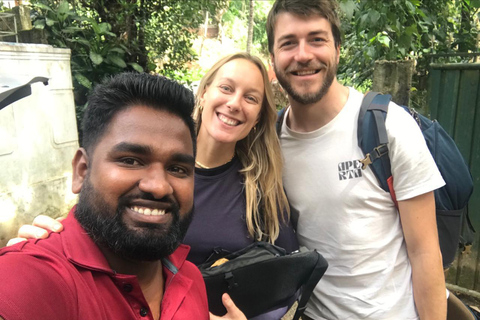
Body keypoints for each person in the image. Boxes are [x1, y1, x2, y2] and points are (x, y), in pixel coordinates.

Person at [7, 53, 298, 319]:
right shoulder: (40, 278)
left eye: (177, 169)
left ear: (259, 115)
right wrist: (45, 242)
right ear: (205, 92)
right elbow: (89, 228)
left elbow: (285, 273)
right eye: (132, 161)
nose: (158, 186)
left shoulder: (261, 188)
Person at [266, 0, 447, 319]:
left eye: (317, 39)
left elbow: (425, 253)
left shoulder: (387, 126)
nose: (304, 54)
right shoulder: (270, 141)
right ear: (273, 58)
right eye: (289, 43)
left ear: (337, 49)